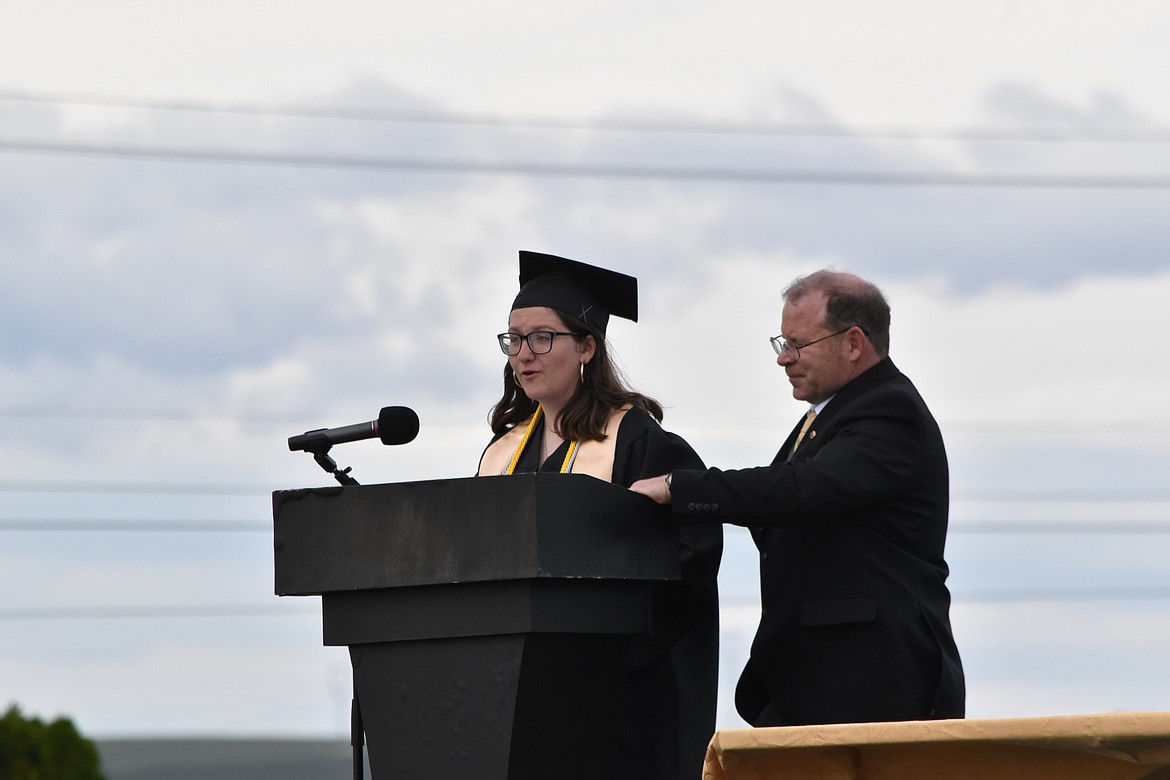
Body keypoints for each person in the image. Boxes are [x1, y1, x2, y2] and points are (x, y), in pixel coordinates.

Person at [631, 269, 965, 727]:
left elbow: (799, 490)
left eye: (797, 345)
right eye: (780, 343)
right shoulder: (828, 416)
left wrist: (679, 487)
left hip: (872, 684)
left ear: (852, 343)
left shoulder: (890, 412)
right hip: (812, 683)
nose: (783, 359)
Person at [477, 251, 723, 779]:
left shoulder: (645, 446)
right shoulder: (502, 453)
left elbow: (690, 566)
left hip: (623, 700)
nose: (524, 354)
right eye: (514, 339)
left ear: (587, 346)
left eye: (542, 337)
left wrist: (610, 658)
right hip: (518, 696)